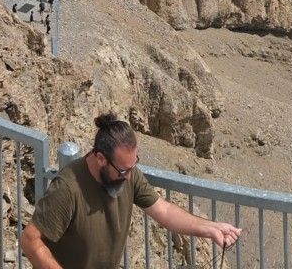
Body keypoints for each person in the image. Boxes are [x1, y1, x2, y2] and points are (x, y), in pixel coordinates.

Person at [20, 114, 246, 269]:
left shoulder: (128, 173)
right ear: (100, 158)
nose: (129, 176)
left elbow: (164, 211)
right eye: (122, 169)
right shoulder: (67, 188)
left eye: (133, 166)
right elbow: (30, 240)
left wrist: (211, 228)